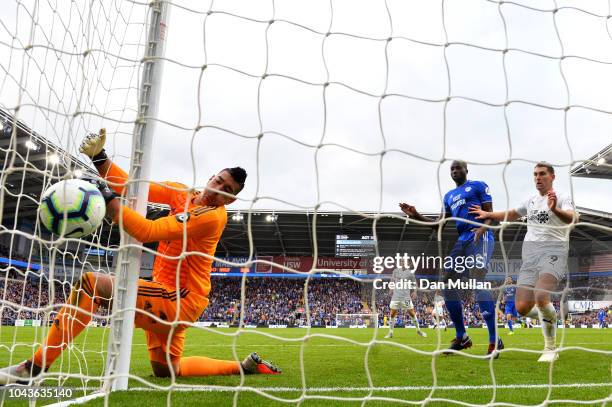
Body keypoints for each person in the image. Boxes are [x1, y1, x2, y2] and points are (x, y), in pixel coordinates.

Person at [0, 129, 280, 385]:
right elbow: (133, 186)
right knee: (167, 371)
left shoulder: (211, 218)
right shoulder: (183, 193)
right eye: (218, 180)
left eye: (226, 190)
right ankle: (244, 367)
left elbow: (148, 230)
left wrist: (110, 203)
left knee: (92, 283)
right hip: (168, 294)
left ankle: (34, 367)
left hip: (180, 298)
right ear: (211, 178)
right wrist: (100, 158)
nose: (218, 188)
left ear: (229, 200)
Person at [469, 162, 578, 362]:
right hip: (530, 255)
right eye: (535, 174)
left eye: (542, 174)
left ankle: (550, 348)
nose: (538, 177)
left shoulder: (561, 197)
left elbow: (573, 219)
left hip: (554, 252)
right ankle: (551, 316)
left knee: (541, 295)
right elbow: (511, 214)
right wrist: (489, 215)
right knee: (521, 308)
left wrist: (555, 210)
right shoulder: (531, 201)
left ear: (552, 176)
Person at [400, 160, 503, 358]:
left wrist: (483, 228)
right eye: (452, 169)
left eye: (458, 168)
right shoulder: (449, 196)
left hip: (480, 235)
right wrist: (416, 214)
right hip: (462, 240)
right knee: (446, 282)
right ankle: (462, 336)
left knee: (477, 279)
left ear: (466, 170)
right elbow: (438, 225)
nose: (455, 171)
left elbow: (490, 213)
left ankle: (494, 340)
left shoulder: (479, 186)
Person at [384, 264, 427, 339]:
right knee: (392, 314)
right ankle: (390, 332)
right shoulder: (395, 271)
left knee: (412, 313)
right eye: (401, 261)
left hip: (406, 297)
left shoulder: (410, 273)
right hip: (396, 297)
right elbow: (392, 280)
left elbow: (414, 282)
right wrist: (391, 288)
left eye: (403, 261)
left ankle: (418, 330)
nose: (402, 263)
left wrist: (415, 291)